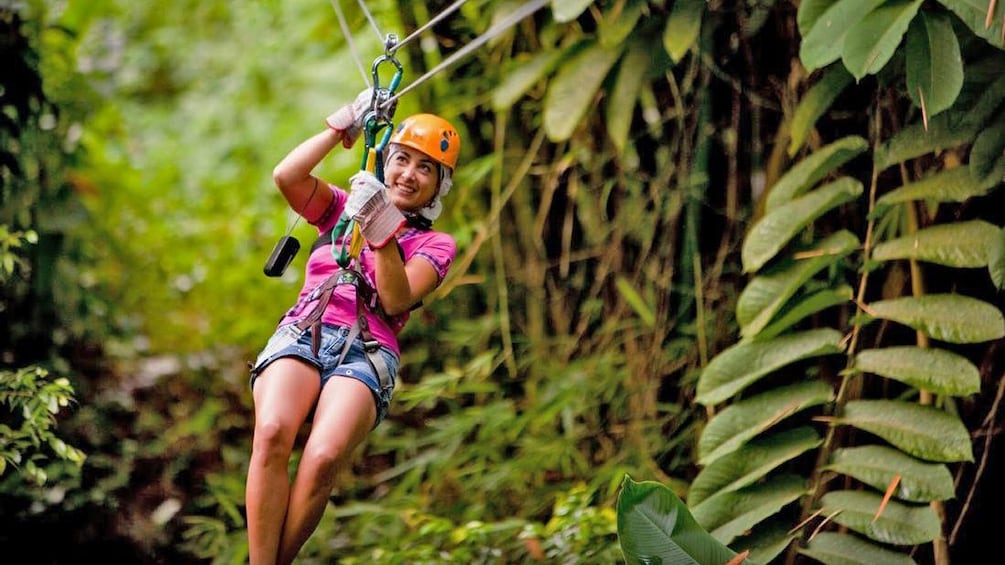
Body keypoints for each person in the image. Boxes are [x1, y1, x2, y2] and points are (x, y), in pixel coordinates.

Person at [245, 89, 460, 565]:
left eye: (425, 168)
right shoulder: (340, 206)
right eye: (402, 159)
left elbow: (396, 298)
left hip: (368, 350)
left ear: (439, 185)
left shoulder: (436, 244)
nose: (408, 174)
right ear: (385, 159)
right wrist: (343, 125)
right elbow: (288, 176)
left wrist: (380, 224)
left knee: (322, 459)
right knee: (275, 429)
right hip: (308, 326)